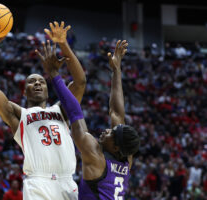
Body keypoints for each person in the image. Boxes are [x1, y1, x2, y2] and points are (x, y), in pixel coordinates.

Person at [0, 21, 86, 199]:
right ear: (24, 90)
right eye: (31, 81)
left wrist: (63, 45)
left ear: (48, 88)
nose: (37, 83)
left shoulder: (61, 110)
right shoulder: (18, 115)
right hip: (38, 183)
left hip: (67, 182)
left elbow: (80, 82)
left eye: (41, 81)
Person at [38, 40, 140, 199]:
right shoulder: (126, 159)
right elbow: (117, 113)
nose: (107, 131)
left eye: (111, 134)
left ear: (115, 148)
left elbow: (75, 113)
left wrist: (54, 75)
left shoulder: (95, 156)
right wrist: (116, 70)